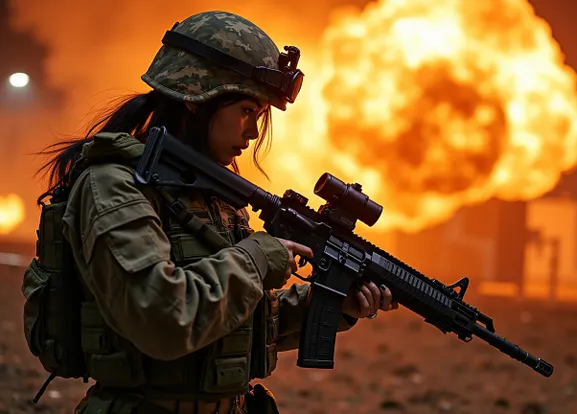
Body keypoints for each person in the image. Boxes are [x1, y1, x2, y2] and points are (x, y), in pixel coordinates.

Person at [33, 10, 398, 414]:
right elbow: (161, 318)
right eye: (246, 110)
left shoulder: (213, 194)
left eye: (259, 116)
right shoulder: (114, 185)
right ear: (196, 97)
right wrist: (257, 257)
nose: (254, 132)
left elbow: (232, 324)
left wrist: (329, 304)